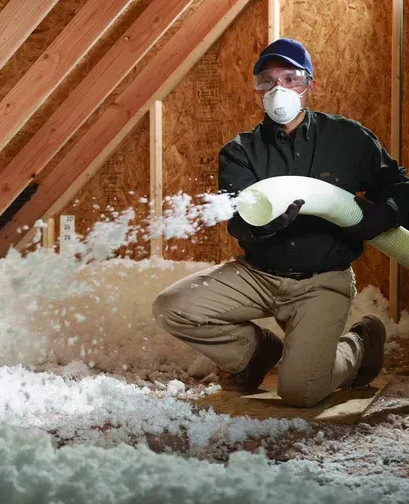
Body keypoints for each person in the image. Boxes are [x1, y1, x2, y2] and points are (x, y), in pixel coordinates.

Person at [152, 38, 409, 406]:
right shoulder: (240, 152)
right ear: (257, 90)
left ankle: (361, 342)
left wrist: (383, 214)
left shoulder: (348, 139)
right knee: (172, 307)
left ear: (309, 86)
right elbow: (238, 223)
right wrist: (264, 226)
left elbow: (402, 187)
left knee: (301, 391)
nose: (279, 90)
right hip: (258, 274)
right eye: (268, 81)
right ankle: (256, 354)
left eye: (290, 79)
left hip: (321, 281)